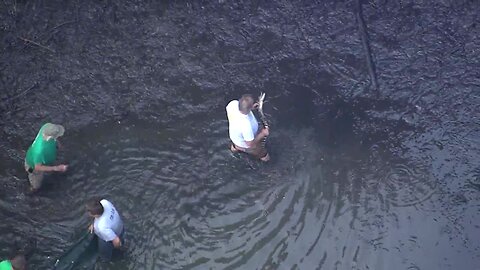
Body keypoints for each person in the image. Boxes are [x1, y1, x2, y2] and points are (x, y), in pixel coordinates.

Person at [24, 123, 68, 192]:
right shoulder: (39, 151)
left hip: (37, 157)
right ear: (49, 137)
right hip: (33, 166)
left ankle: (28, 172)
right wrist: (56, 168)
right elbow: (37, 167)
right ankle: (31, 190)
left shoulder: (46, 127)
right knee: (36, 184)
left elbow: (54, 139)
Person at [226, 94, 270, 161]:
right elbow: (250, 144)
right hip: (245, 144)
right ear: (251, 107)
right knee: (263, 155)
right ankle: (268, 167)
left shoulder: (232, 104)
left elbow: (243, 108)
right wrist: (263, 134)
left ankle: (234, 149)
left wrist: (251, 107)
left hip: (235, 137)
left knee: (236, 145)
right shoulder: (246, 126)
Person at [86, 198, 124, 262]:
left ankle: (106, 260)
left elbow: (116, 241)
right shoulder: (105, 202)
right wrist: (93, 224)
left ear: (95, 215)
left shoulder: (102, 227)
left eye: (89, 212)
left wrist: (116, 247)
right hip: (120, 228)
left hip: (107, 240)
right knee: (121, 241)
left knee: (105, 255)